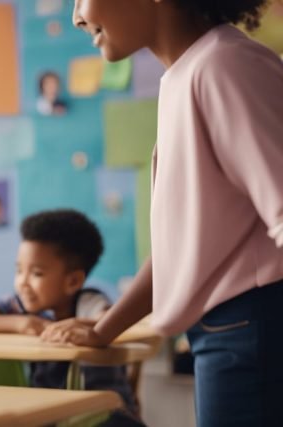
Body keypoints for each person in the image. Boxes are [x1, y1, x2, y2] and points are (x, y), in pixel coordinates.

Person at [44, 2, 283, 425]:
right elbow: (186, 250)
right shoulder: (187, 74)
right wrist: (103, 328)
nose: (77, 17)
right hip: (228, 332)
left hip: (251, 326)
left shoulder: (224, 65)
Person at [0, 209, 141, 424]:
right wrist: (19, 323)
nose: (23, 282)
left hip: (106, 413)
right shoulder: (20, 306)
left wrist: (79, 326)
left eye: (36, 273)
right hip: (52, 413)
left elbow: (109, 319)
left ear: (72, 281)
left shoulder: (87, 302)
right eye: (19, 270)